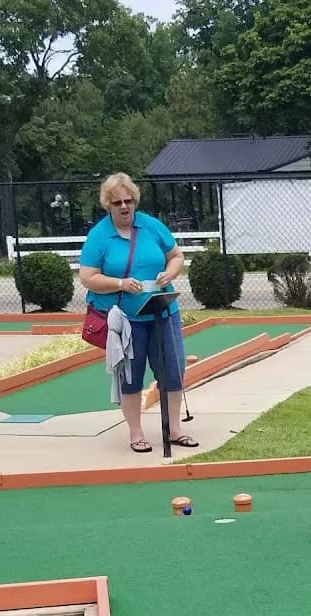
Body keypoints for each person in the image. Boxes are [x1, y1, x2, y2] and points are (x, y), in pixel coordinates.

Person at [78, 173, 198, 454]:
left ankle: (174, 429)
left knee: (173, 370)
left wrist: (169, 273)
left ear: (135, 201)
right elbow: (87, 276)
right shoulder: (100, 235)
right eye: (117, 202)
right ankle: (136, 433)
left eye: (128, 201)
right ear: (108, 204)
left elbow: (176, 256)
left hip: (162, 312)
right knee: (130, 376)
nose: (124, 207)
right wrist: (119, 283)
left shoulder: (151, 226)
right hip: (126, 319)